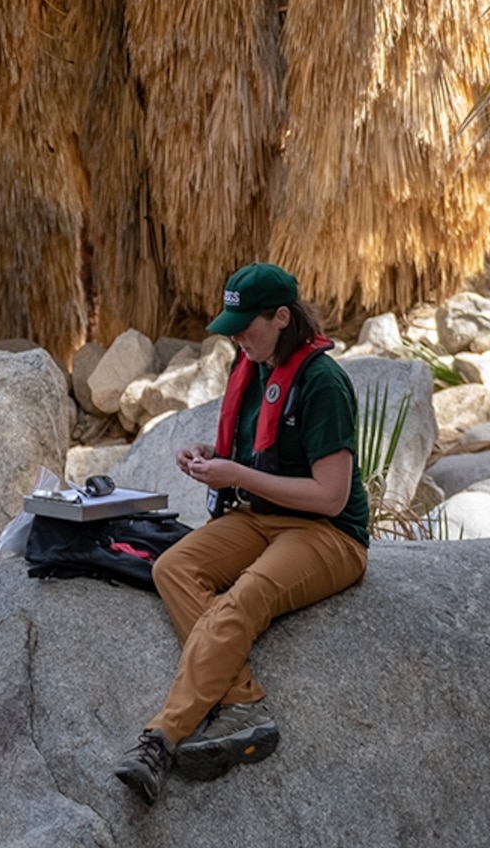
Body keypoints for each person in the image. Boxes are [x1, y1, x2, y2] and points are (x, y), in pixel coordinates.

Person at [115, 262, 370, 803]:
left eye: (244, 326)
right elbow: (257, 453)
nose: (235, 337)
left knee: (245, 598)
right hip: (258, 516)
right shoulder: (253, 363)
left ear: (281, 318)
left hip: (328, 535)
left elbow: (331, 495)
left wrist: (237, 476)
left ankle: (160, 738)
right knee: (173, 567)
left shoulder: (323, 382)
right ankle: (243, 703)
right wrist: (212, 456)